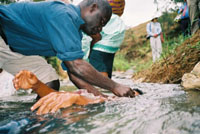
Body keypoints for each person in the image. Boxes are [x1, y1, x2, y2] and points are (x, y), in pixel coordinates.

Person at [0, 0, 138, 98]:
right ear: (93, 8)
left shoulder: (75, 32)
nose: (100, 29)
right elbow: (77, 66)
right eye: (101, 22)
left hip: (12, 50)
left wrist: (103, 99)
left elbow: (75, 74)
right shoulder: (63, 14)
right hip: (2, 31)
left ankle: (32, 124)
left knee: (50, 82)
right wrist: (115, 86)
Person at [13, 70, 142, 115]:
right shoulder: (93, 94)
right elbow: (56, 97)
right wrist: (37, 86)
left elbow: (99, 101)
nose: (124, 94)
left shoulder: (106, 101)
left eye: (131, 94)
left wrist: (78, 99)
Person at [82, 0, 126, 78]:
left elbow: (86, 41)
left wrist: (84, 59)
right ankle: (107, 84)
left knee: (97, 65)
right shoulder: (116, 18)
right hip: (114, 39)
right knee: (105, 64)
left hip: (103, 41)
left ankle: (103, 87)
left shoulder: (97, 16)